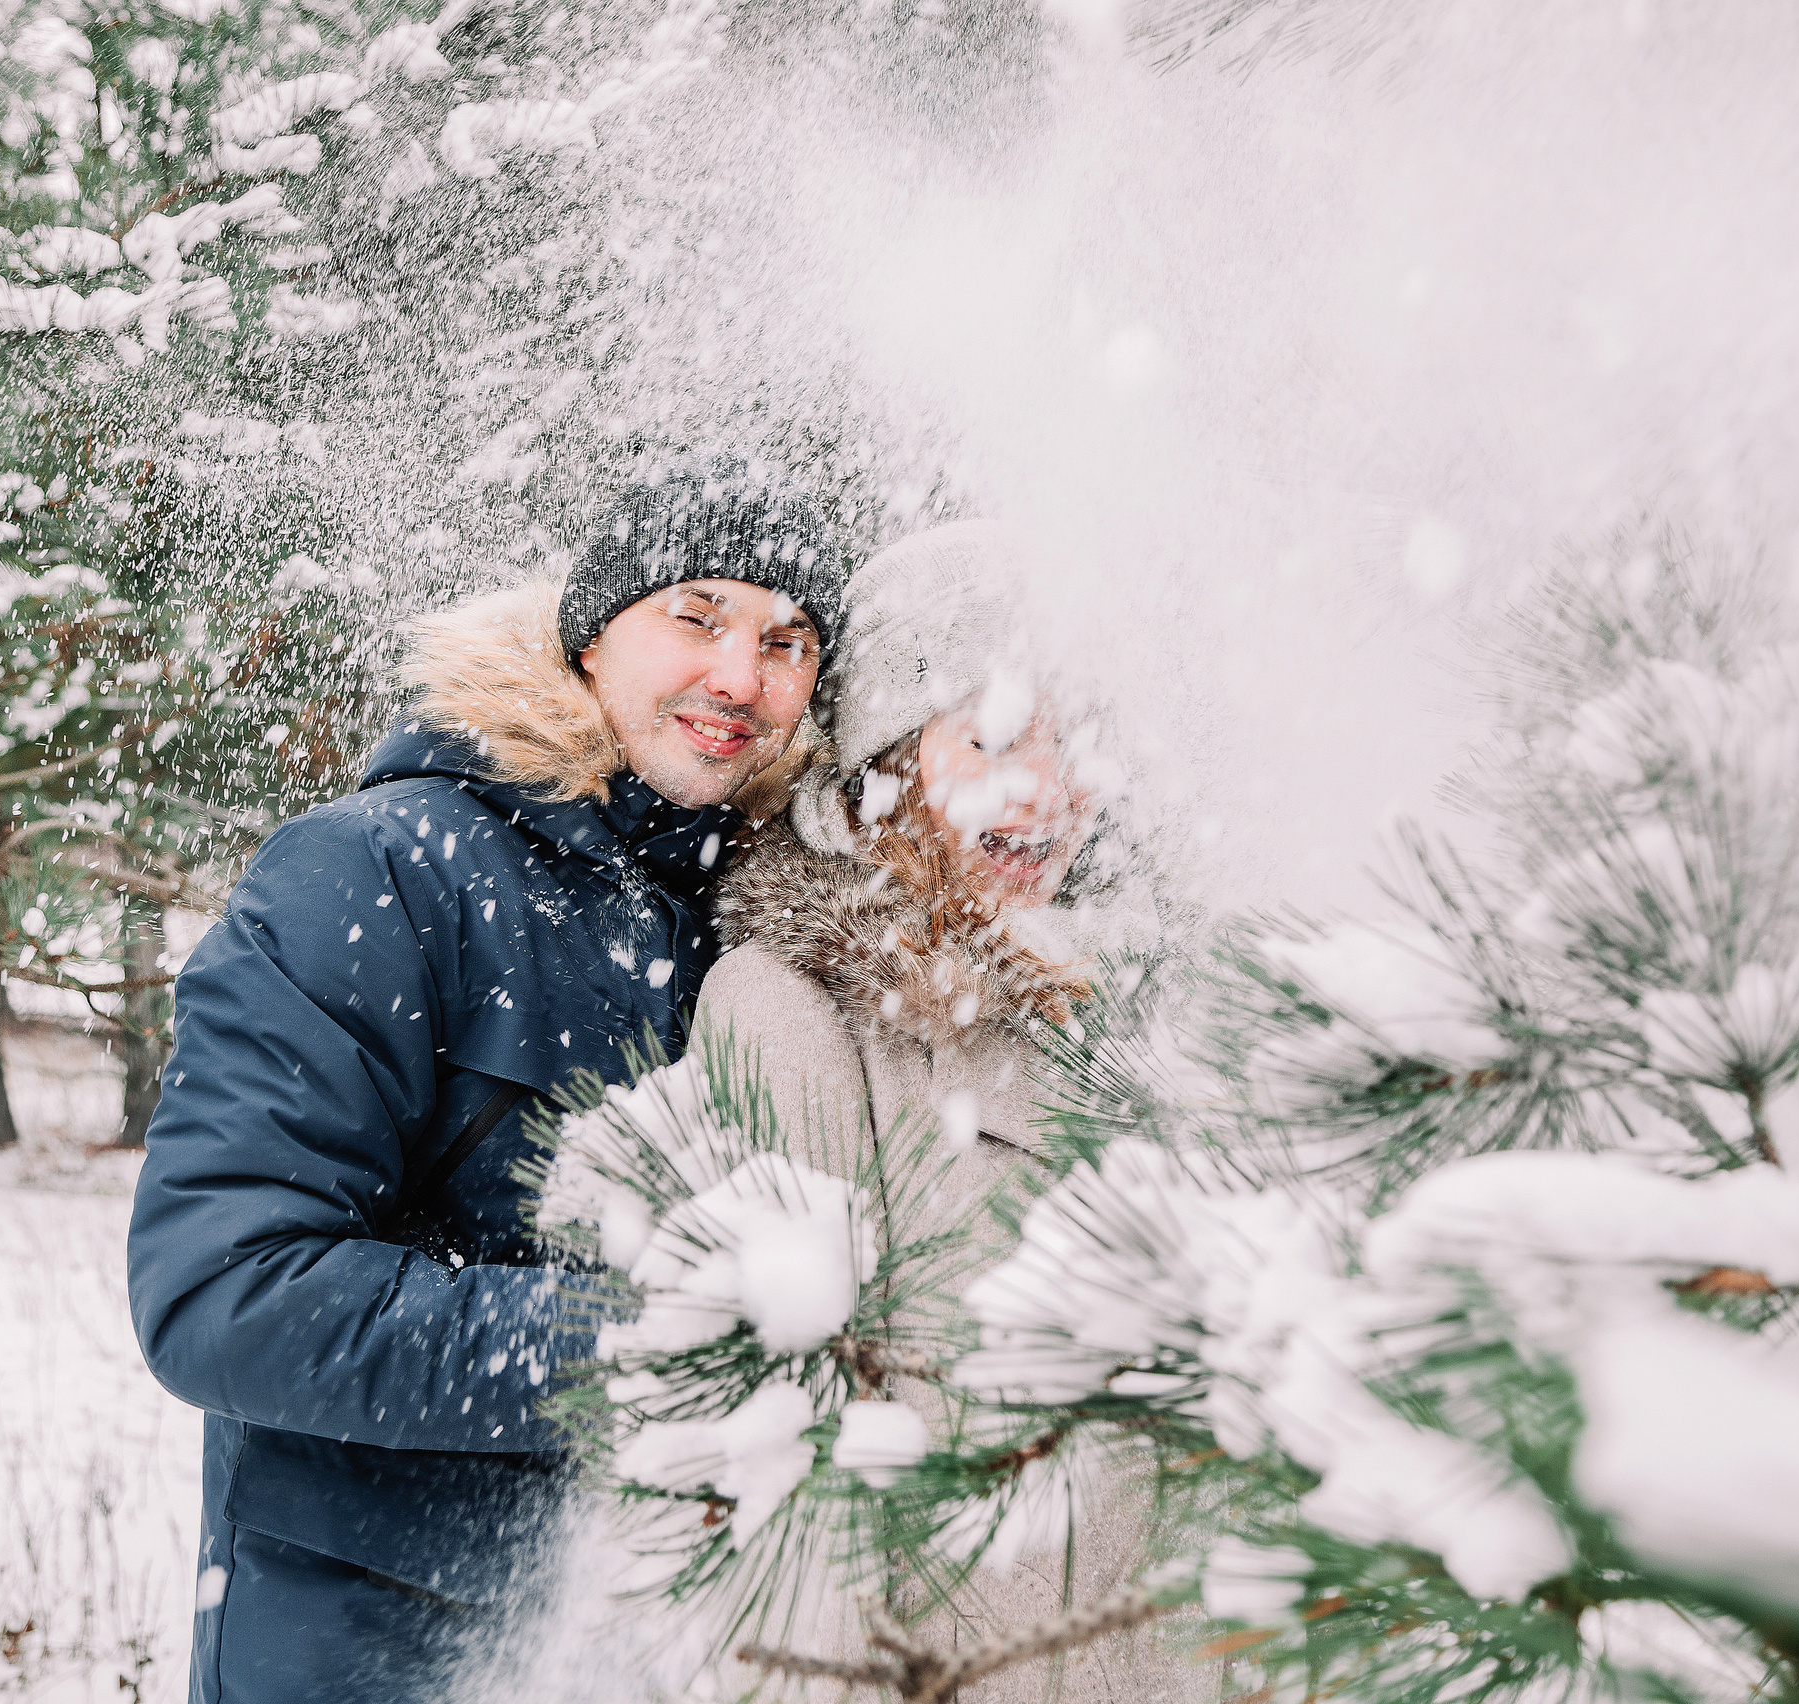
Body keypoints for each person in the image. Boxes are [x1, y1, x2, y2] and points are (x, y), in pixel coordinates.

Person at [127, 471, 854, 1704]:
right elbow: (223, 1295)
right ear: (590, 634)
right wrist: (647, 1346)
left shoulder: (765, 917)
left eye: (786, 643)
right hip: (369, 1650)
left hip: (673, 1650)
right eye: (697, 614)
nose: (740, 676)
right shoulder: (378, 873)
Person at [694, 520, 1188, 1702]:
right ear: (887, 764)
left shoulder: (1148, 1009)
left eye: (1081, 741)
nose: (1049, 792)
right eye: (995, 737)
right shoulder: (787, 1010)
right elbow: (789, 1484)